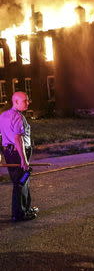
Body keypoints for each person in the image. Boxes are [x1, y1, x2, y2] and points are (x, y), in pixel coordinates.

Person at [0, 91, 38, 222]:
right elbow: (18, 139)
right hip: (18, 153)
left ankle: (25, 209)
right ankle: (20, 213)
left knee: (21, 181)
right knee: (21, 182)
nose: (28, 102)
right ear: (15, 102)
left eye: (28, 100)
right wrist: (24, 159)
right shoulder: (17, 117)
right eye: (25, 101)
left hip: (9, 152)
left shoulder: (3, 115)